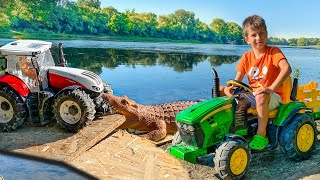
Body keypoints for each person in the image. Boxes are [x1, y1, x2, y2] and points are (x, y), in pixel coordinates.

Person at [221, 15, 292, 150]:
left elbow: (286, 68)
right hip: (254, 94)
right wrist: (228, 89)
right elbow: (237, 82)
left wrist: (270, 88)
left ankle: (262, 134)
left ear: (266, 34)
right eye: (254, 35)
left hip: (273, 96)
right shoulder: (246, 57)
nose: (258, 38)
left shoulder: (273, 52)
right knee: (219, 89)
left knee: (261, 94)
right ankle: (227, 124)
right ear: (247, 39)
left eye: (261, 33)